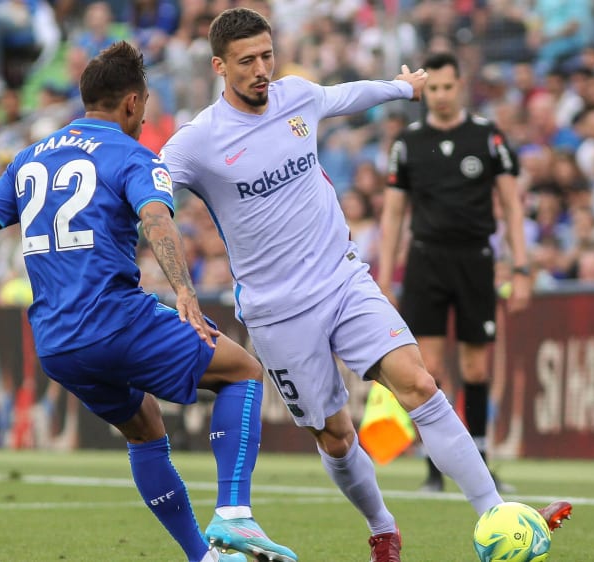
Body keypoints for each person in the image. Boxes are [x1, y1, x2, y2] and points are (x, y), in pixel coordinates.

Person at [161, 9, 571, 562]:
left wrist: (402, 86)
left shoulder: (296, 96)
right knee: (335, 436)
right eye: (246, 61)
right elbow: (149, 194)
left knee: (419, 383)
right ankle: (382, 528)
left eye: (266, 55)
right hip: (277, 312)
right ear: (218, 66)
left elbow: (346, 95)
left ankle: (496, 512)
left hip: (343, 278)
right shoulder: (198, 142)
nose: (262, 69)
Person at [0, 41, 296, 562]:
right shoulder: (131, 154)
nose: (144, 113)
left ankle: (203, 557)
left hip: (57, 343)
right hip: (115, 320)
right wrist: (185, 291)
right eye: (144, 103)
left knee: (145, 428)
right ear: (131, 103)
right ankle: (235, 514)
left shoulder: (29, 157)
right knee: (241, 372)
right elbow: (156, 219)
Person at [376, 52, 532, 495]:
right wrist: (385, 279)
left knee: (476, 367)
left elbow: (512, 206)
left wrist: (521, 268)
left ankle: (481, 463)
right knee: (430, 368)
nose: (441, 96)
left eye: (448, 87)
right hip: (426, 260)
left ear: (460, 86)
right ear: (425, 92)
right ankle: (434, 468)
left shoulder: (487, 137)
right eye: (434, 89)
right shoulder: (407, 143)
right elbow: (393, 216)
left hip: (475, 259)